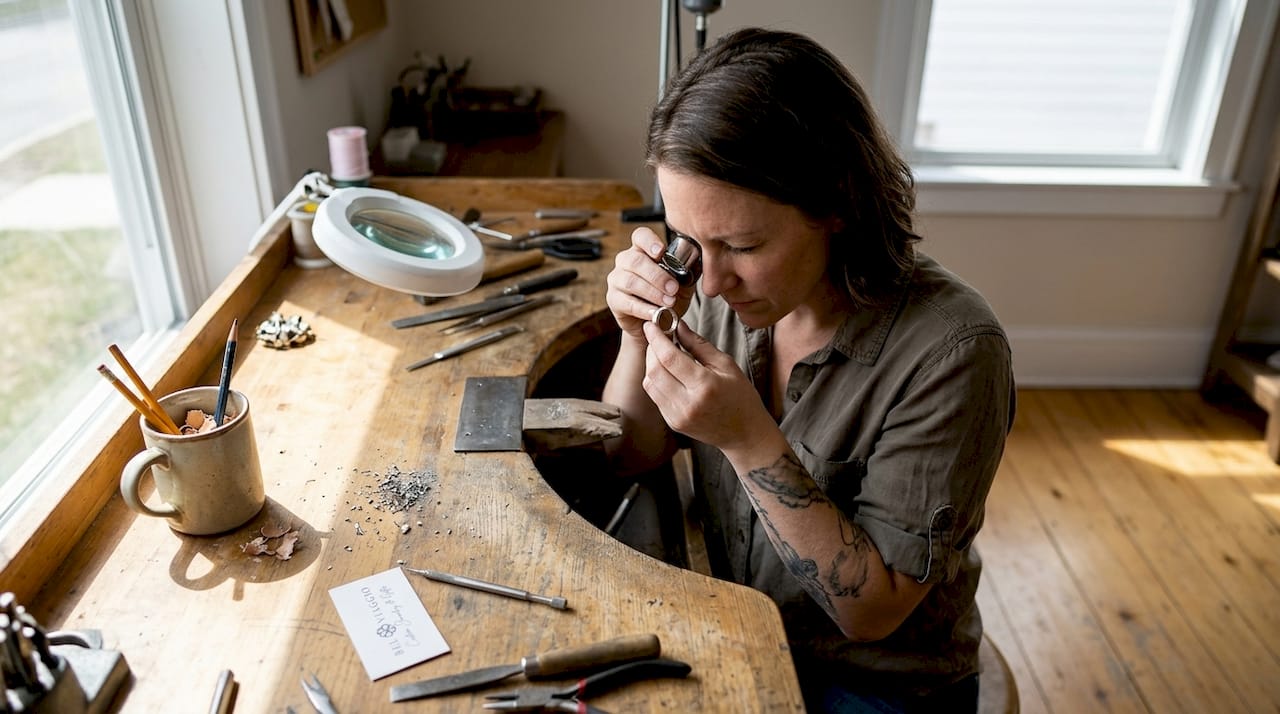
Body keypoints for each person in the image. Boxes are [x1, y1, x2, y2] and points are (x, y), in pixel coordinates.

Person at [602, 27, 1016, 713]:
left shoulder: (954, 352)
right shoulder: (716, 287)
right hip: (739, 623)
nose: (711, 284)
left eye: (742, 245)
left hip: (876, 680)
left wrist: (748, 439)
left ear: (838, 206)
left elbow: (871, 612)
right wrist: (635, 337)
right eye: (688, 237)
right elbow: (629, 454)